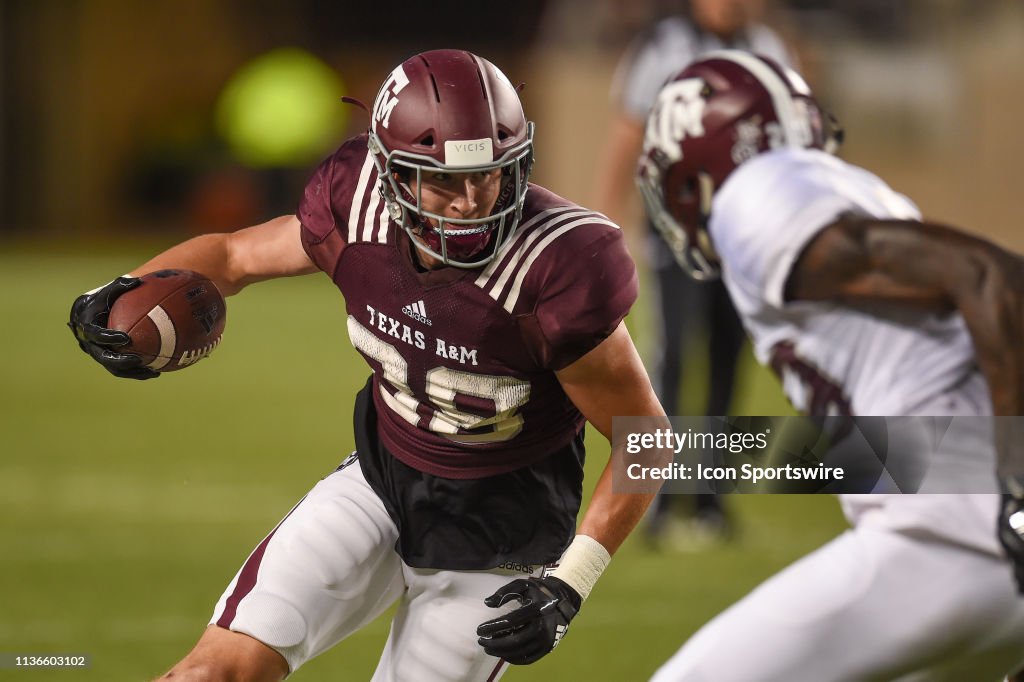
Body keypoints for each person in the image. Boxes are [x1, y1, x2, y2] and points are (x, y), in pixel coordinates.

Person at [68, 49, 668, 681]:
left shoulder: (555, 265)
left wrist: (572, 582)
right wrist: (123, 291)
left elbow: (649, 441)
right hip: (382, 481)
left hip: (502, 535)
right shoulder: (356, 208)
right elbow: (233, 256)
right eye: (442, 180)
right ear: (389, 173)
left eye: (488, 175)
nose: (469, 202)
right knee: (211, 674)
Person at [637, 50, 1024, 680]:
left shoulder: (755, 194)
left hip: (955, 530)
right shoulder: (837, 187)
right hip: (967, 514)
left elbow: (991, 277)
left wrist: (1015, 480)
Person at [596, 0, 797, 546]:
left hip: (745, 238)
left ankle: (711, 498)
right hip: (677, 232)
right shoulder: (663, 47)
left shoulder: (768, 49)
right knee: (671, 361)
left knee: (731, 360)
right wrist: (606, 217)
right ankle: (650, 501)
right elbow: (629, 128)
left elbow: (792, 142)